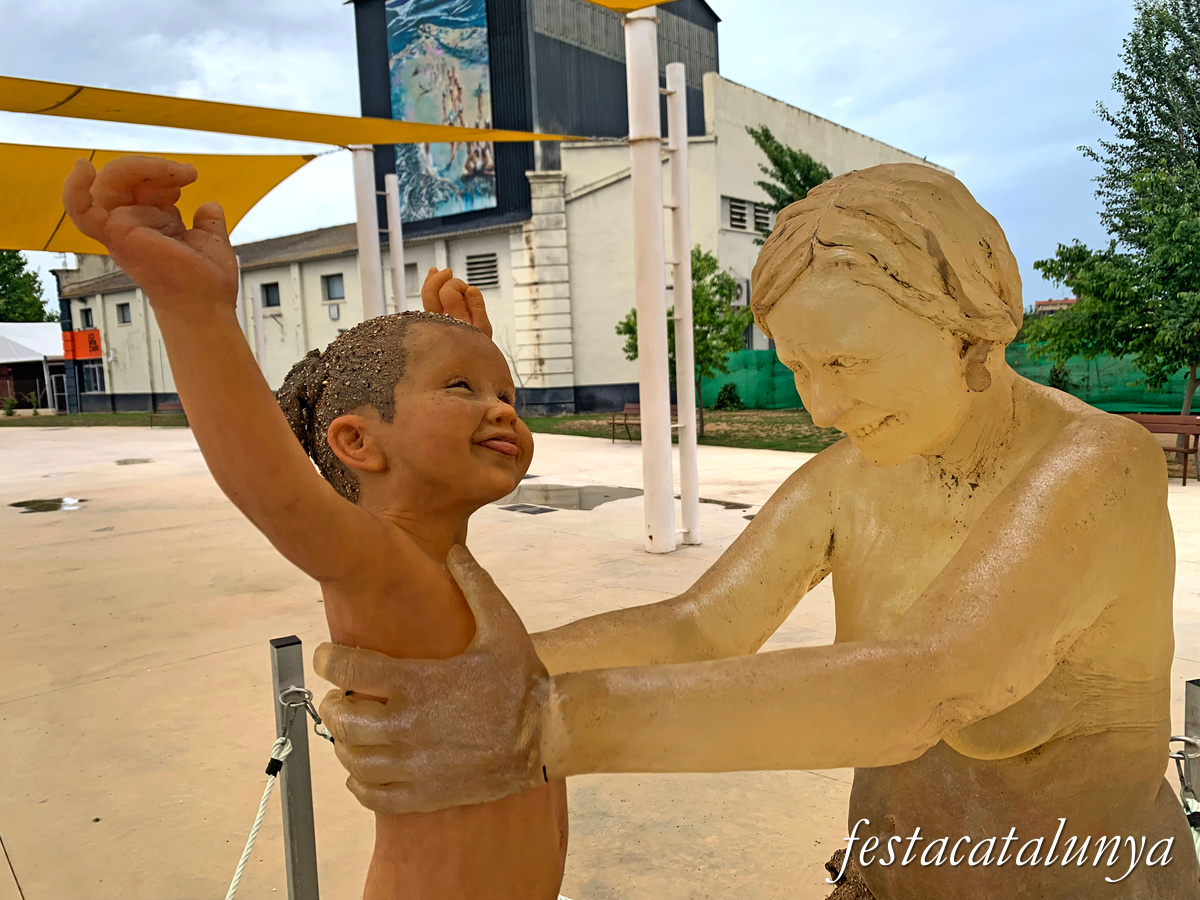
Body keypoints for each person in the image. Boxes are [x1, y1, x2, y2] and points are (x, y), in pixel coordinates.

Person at [313, 163, 1200, 899]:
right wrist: (470, 679)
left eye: (846, 362)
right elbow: (701, 627)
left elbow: (929, 684)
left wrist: (542, 723)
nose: (820, 405)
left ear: (970, 329)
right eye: (800, 367)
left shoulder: (1097, 467)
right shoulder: (855, 474)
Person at [61, 155, 568, 900]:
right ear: (358, 443)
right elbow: (276, 491)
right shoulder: (380, 567)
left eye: (506, 393)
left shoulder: (444, 564)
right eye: (463, 389)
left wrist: (462, 357)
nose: (503, 409)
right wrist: (192, 309)